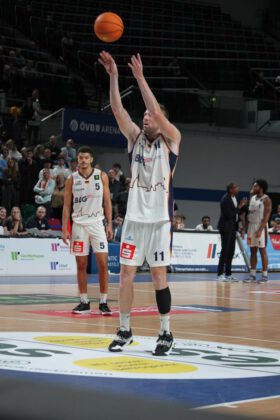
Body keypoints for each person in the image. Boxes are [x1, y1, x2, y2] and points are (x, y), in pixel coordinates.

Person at [99, 50, 181, 355]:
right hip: (134, 221)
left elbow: (157, 112)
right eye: (145, 114)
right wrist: (115, 76)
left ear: (161, 119)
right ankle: (124, 330)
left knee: (159, 276)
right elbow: (119, 111)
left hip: (159, 222)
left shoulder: (172, 140)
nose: (146, 115)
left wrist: (140, 77)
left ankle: (166, 333)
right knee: (126, 278)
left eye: (152, 114)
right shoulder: (134, 139)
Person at [62, 146, 113, 315]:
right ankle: (84, 301)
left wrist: (110, 224)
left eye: (86, 158)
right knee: (81, 264)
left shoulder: (101, 176)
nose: (83, 160)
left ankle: (104, 302)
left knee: (103, 264)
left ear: (91, 159)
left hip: (97, 224)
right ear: (78, 160)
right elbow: (66, 205)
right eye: (80, 158)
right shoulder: (72, 179)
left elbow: (107, 202)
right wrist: (64, 228)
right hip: (78, 225)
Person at [217, 183, 246, 282]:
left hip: (233, 228)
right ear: (231, 189)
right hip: (226, 228)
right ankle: (220, 274)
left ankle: (228, 274)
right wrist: (240, 207)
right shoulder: (225, 199)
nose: (238, 189)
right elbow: (229, 215)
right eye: (236, 187)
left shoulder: (234, 198)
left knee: (231, 251)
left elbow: (236, 215)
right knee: (225, 251)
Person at [244, 180, 272, 283]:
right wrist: (244, 228)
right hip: (251, 226)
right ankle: (252, 275)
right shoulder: (252, 198)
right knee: (253, 250)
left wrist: (260, 230)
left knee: (262, 250)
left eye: (255, 186)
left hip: (261, 226)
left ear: (261, 188)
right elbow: (249, 214)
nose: (253, 187)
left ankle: (264, 275)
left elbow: (266, 216)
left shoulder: (266, 199)